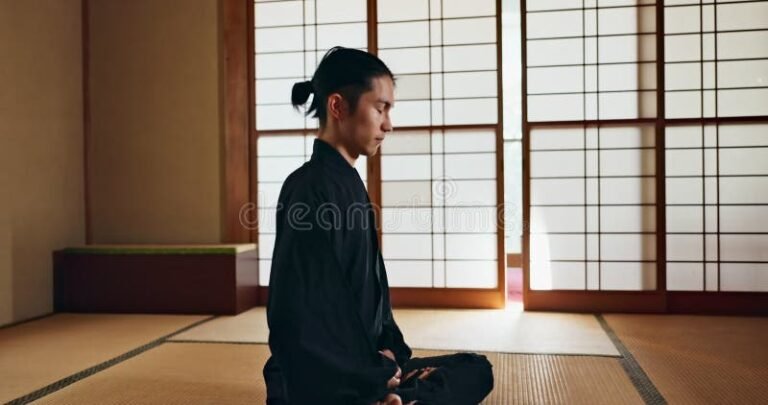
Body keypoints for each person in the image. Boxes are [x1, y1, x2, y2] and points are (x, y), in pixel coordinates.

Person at [263, 46, 494, 405]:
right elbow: (304, 314)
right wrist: (374, 371)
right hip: (324, 374)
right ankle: (383, 395)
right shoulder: (308, 188)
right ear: (338, 106)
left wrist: (388, 352)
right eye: (380, 108)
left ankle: (389, 396)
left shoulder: (349, 182)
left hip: (364, 364)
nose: (389, 124)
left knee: (475, 368)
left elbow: (370, 297)